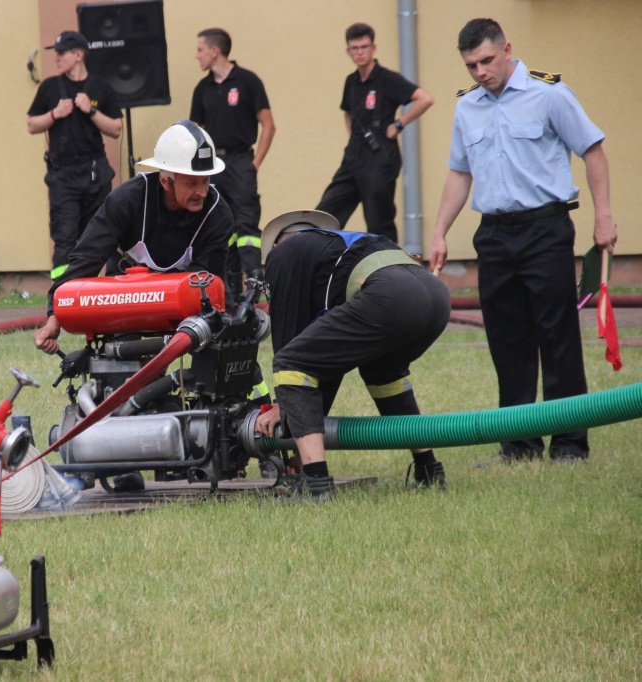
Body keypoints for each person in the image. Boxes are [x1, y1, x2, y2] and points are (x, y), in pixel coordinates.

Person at [428, 18, 616, 464]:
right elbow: (460, 172)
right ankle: (519, 445)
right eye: (471, 65)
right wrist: (439, 231)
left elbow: (593, 150)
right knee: (507, 340)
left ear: (507, 49)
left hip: (545, 229)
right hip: (493, 233)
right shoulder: (467, 107)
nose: (479, 72)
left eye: (487, 61)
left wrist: (604, 216)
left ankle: (569, 442)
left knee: (557, 336)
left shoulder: (548, 94)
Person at [255, 210, 450, 501]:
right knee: (383, 373)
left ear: (275, 247)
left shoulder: (285, 253)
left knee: (289, 363)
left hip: (392, 297)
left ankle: (317, 485)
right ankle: (429, 470)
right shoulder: (341, 248)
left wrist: (283, 403)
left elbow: (291, 351)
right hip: (435, 296)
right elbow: (324, 365)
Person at [34, 119, 233, 355]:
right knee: (124, 360)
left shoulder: (217, 215)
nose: (201, 192)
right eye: (192, 183)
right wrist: (54, 318)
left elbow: (206, 283)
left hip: (188, 295)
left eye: (205, 181)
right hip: (128, 295)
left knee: (223, 342)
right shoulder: (127, 201)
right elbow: (87, 257)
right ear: (166, 181)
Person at [315, 23, 434, 245]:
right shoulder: (351, 81)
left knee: (378, 221)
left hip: (380, 155)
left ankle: (389, 270)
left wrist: (399, 124)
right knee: (326, 213)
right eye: (355, 48)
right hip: (354, 155)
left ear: (373, 48)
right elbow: (348, 112)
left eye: (364, 47)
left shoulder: (387, 78)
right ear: (348, 51)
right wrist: (353, 139)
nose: (360, 52)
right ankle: (316, 257)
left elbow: (425, 99)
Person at [27, 30, 123, 282]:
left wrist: (90, 110)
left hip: (95, 173)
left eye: (61, 53)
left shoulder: (101, 88)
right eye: (55, 53)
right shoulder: (50, 87)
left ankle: (107, 292)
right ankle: (59, 299)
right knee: (64, 238)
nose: (56, 58)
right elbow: (31, 125)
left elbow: (115, 128)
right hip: (62, 177)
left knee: (104, 235)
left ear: (78, 55)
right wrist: (54, 114)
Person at [190, 27, 275, 304]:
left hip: (241, 161)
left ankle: (255, 283)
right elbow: (196, 132)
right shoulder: (202, 88)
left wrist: (254, 163)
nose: (196, 55)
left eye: (200, 49)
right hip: (213, 165)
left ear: (215, 51)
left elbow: (269, 126)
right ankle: (229, 292)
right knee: (219, 224)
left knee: (246, 225)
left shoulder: (248, 81)